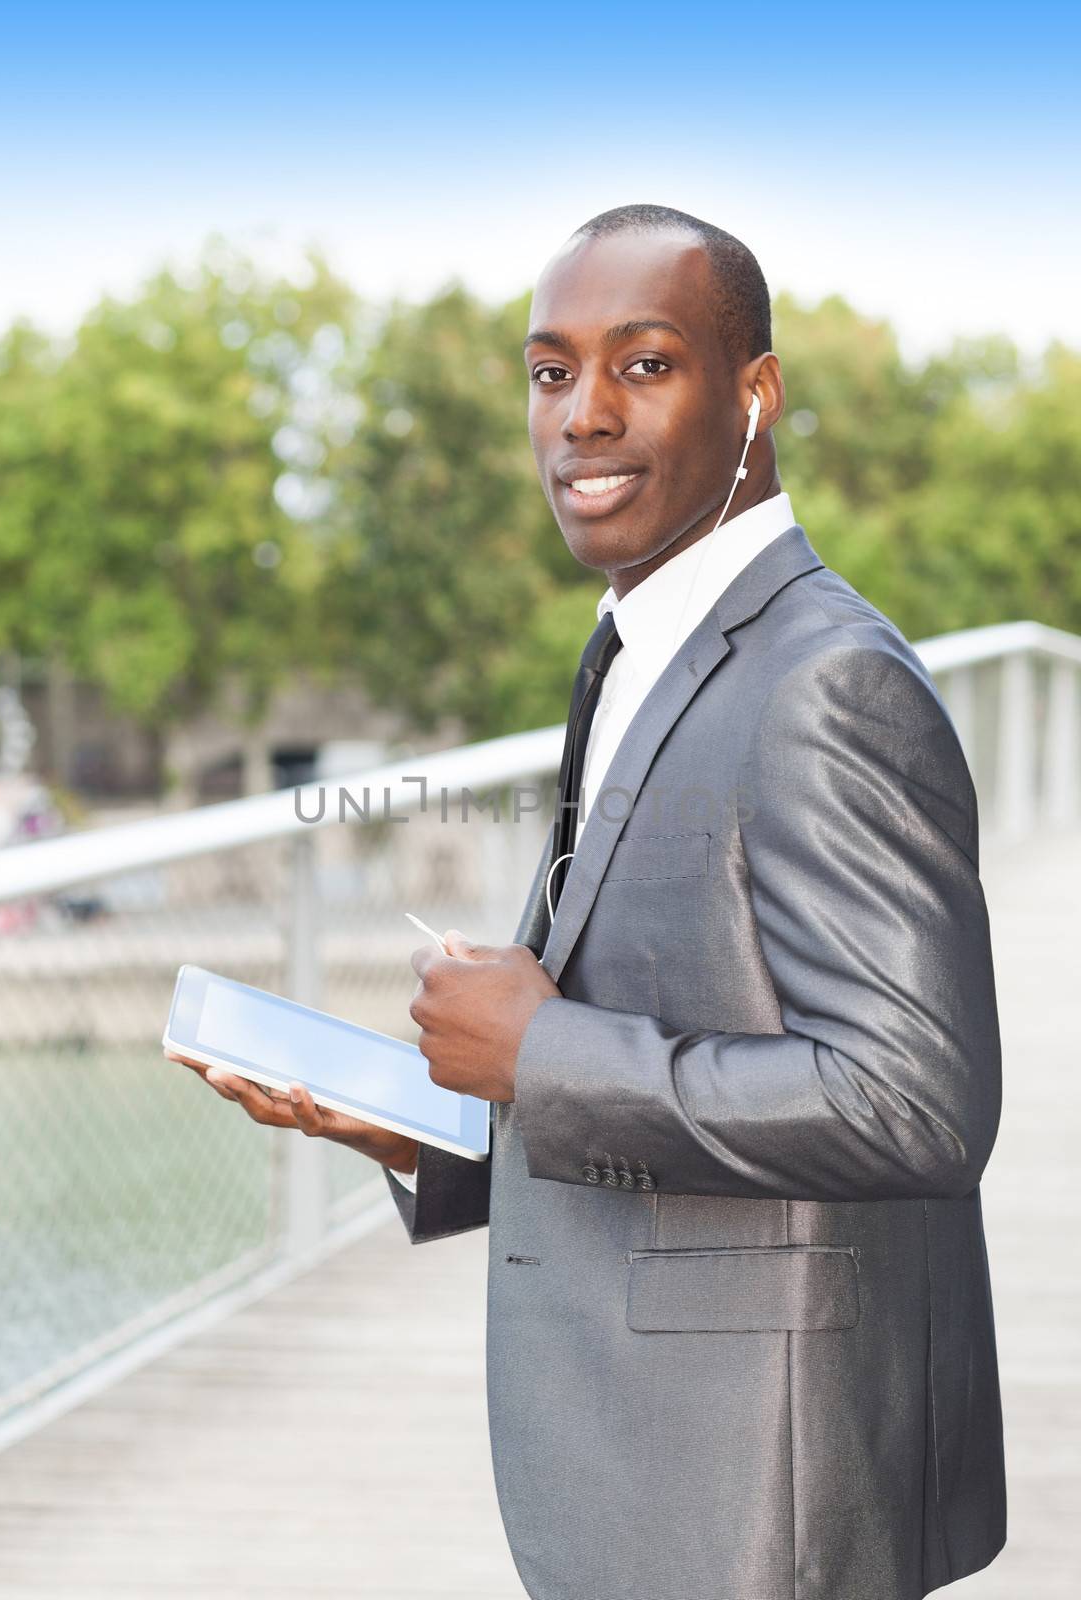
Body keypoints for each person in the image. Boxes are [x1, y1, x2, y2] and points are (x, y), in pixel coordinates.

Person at [170, 205, 1006, 1600]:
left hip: (757, 1502)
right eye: (552, 372)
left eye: (646, 363)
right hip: (650, 1477)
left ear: (758, 392)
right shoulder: (636, 643)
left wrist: (541, 1051)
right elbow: (668, 1028)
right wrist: (421, 1116)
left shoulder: (827, 684)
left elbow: (914, 1103)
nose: (583, 416)